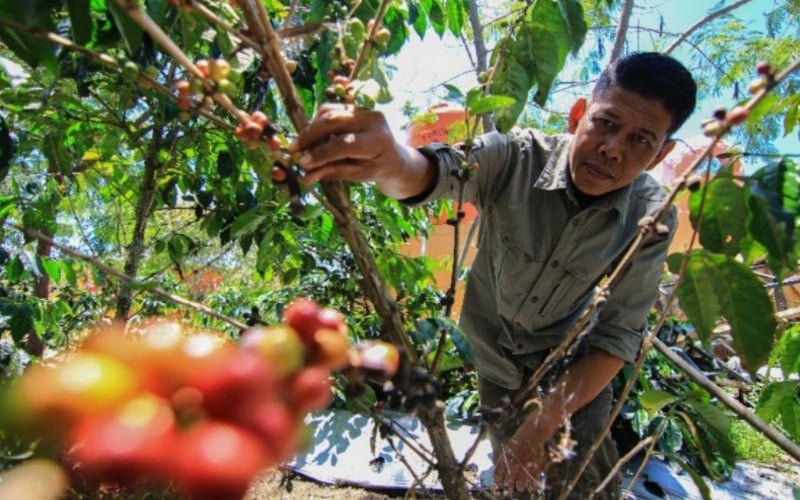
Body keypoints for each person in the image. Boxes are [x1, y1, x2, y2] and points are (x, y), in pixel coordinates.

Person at [291, 52, 697, 498]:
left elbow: (617, 337)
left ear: (662, 153)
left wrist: (541, 427)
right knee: (513, 480)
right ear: (578, 115)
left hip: (575, 375)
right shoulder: (516, 157)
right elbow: (432, 171)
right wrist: (388, 161)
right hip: (496, 365)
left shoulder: (652, 216)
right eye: (606, 123)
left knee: (586, 487)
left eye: (641, 140)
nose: (613, 149)